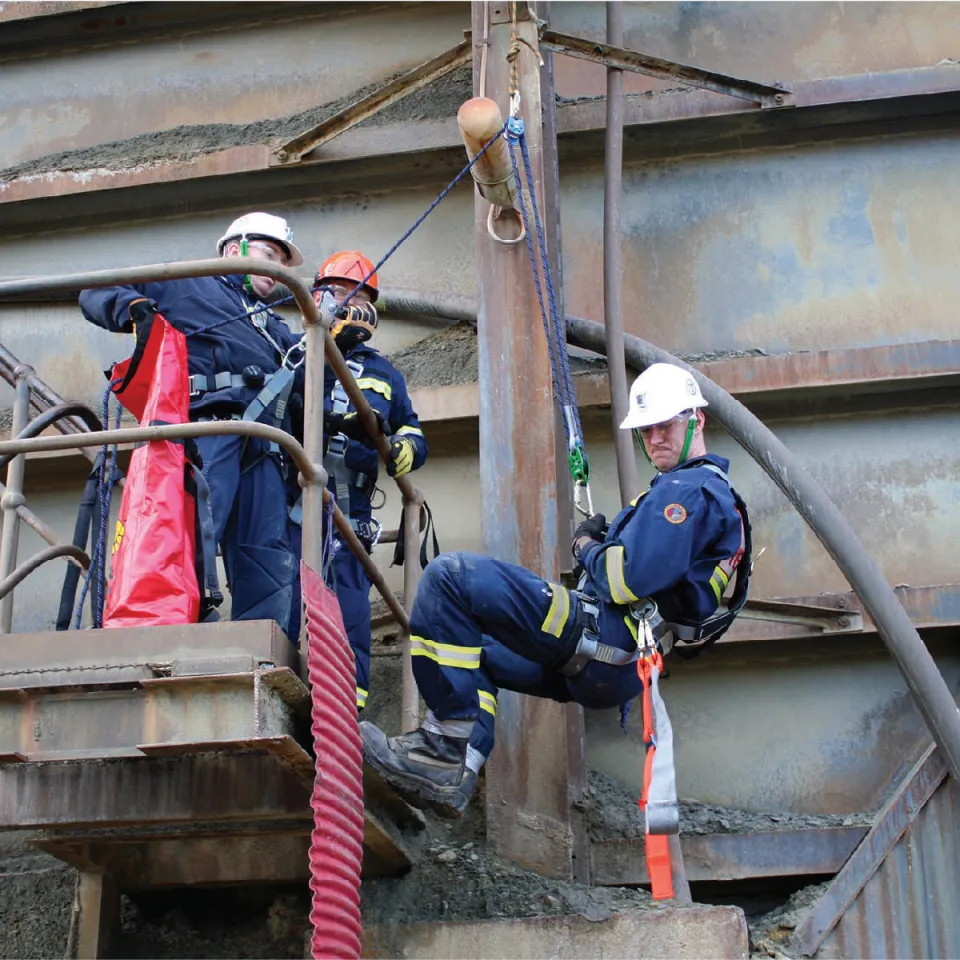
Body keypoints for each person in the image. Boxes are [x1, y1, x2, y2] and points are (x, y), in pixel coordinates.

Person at [360, 362, 751, 817]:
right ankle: (455, 770)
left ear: (696, 420)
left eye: (665, 426)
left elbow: (626, 581)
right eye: (646, 431)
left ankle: (443, 748)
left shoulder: (689, 491)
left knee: (450, 577)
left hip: (607, 637)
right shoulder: (702, 494)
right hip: (618, 660)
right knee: (475, 651)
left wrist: (586, 546)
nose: (655, 439)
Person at [79, 211, 305, 634]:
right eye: (269, 253)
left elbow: (314, 384)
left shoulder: (277, 328)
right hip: (206, 433)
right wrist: (131, 308)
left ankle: (261, 647)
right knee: (186, 535)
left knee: (266, 553)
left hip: (265, 448)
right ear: (233, 248)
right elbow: (98, 286)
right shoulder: (187, 281)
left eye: (282, 261)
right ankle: (174, 631)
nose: (276, 269)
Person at [289, 250, 428, 712]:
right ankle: (288, 682)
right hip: (294, 498)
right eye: (341, 292)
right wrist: (325, 344)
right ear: (317, 296)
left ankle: (349, 704)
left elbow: (410, 428)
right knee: (292, 591)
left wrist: (405, 449)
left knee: (350, 600)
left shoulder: (386, 373)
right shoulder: (296, 350)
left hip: (351, 506)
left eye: (360, 295)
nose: (351, 302)